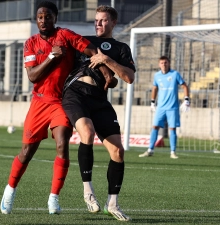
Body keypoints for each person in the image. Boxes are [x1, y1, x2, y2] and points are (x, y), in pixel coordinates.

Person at [0, 1, 113, 215]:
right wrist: (53, 56)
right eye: (40, 17)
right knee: (26, 152)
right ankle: (10, 190)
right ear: (36, 19)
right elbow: (33, 76)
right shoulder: (30, 43)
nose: (44, 20)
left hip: (62, 102)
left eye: (48, 16)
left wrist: (106, 71)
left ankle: (53, 198)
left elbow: (90, 50)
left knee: (62, 145)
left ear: (56, 18)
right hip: (40, 101)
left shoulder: (66, 35)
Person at [61, 5, 135, 222]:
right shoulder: (83, 41)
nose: (98, 24)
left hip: (99, 100)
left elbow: (129, 78)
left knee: (118, 152)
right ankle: (88, 191)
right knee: (87, 131)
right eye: (96, 20)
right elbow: (60, 42)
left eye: (103, 20)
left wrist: (107, 61)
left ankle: (112, 203)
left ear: (113, 23)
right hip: (76, 93)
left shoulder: (121, 48)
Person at [139, 56, 190, 159]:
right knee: (155, 127)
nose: (164, 64)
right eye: (162, 63)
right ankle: (150, 150)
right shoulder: (157, 76)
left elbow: (184, 86)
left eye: (166, 62)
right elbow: (155, 88)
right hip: (161, 107)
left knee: (172, 129)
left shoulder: (175, 74)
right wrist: (152, 102)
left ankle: (173, 152)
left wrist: (186, 100)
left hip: (173, 107)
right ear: (159, 64)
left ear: (169, 63)